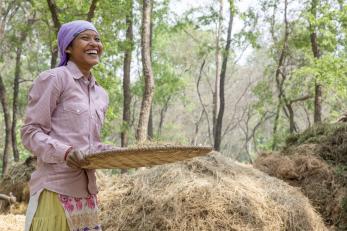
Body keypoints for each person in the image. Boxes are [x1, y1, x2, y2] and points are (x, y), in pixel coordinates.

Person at [21, 20, 111, 231]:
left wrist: (120, 154)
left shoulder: (101, 94)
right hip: (55, 189)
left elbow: (91, 145)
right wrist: (65, 152)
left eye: (97, 39)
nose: (94, 43)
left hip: (87, 194)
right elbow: (30, 132)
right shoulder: (55, 79)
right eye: (85, 38)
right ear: (68, 47)